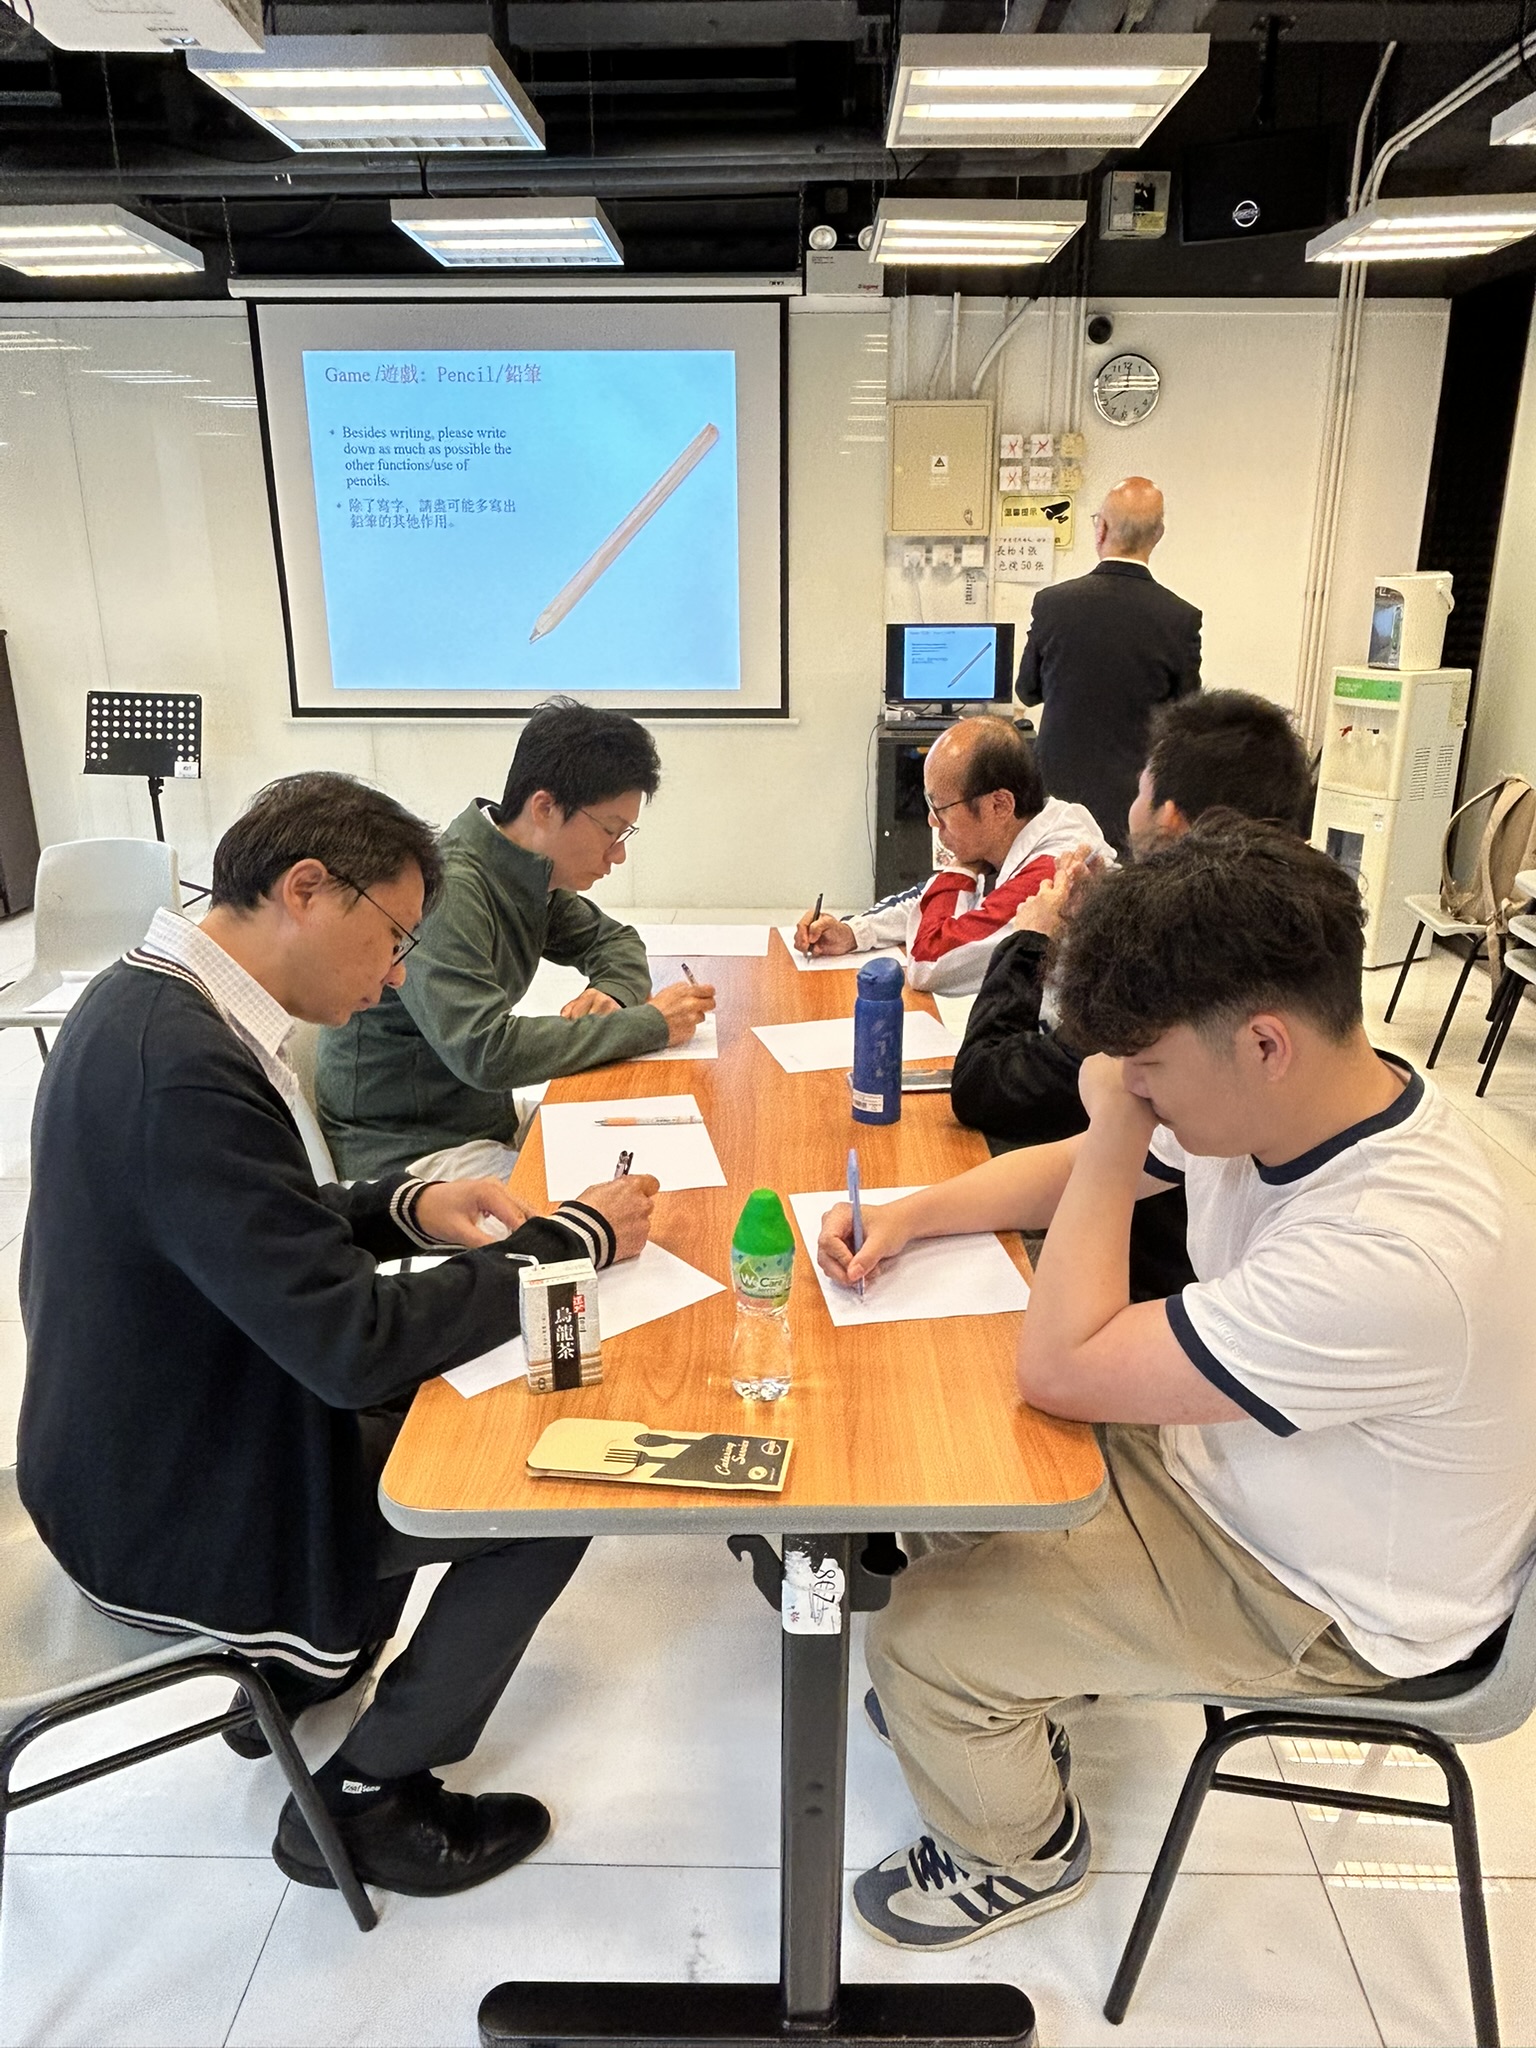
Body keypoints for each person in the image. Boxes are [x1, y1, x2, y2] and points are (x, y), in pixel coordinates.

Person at [816, 818, 1536, 1950]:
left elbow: (1064, 1363)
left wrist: (1112, 1129)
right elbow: (1074, 1172)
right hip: (1255, 1474)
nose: (1130, 1089)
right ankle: (1002, 1697)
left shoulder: (1398, 1250)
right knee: (956, 1452)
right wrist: (912, 1215)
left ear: (1263, 1042)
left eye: (1146, 1068)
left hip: (1325, 1593)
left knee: (920, 1638)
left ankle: (1018, 1852)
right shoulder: (1299, 1098)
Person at [19, 772, 660, 1899]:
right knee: (542, 1484)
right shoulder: (182, 1068)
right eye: (395, 937)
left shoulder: (152, 1000)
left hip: (137, 1441)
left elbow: (251, 1224)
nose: (399, 972)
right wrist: (567, 1241)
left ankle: (297, 1678)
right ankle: (368, 1801)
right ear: (307, 888)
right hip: (167, 1510)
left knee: (463, 1397)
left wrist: (405, 1206)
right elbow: (353, 1343)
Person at [317, 697, 714, 1179]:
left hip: (480, 1124)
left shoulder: (524, 872)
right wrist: (650, 1024)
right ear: (544, 808)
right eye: (611, 832)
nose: (618, 855)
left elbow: (615, 943)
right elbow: (485, 1051)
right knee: (628, 1199)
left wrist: (611, 993)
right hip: (409, 1155)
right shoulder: (451, 890)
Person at [951, 689, 1315, 1152]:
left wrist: (1030, 938)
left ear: (1171, 818)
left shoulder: (1167, 953)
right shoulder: (1297, 921)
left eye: (1141, 787)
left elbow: (983, 1085)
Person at [792, 715, 1112, 997]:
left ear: (999, 805)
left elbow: (928, 960)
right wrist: (853, 933)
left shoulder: (1053, 874)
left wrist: (960, 868)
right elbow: (928, 903)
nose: (932, 821)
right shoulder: (1023, 833)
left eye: (940, 808)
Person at [1016, 475, 1202, 853]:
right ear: (1158, 535)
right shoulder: (1180, 618)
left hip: (1056, 797)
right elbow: (1186, 717)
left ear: (1100, 529)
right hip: (1134, 803)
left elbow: (1028, 691)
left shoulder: (1053, 604)